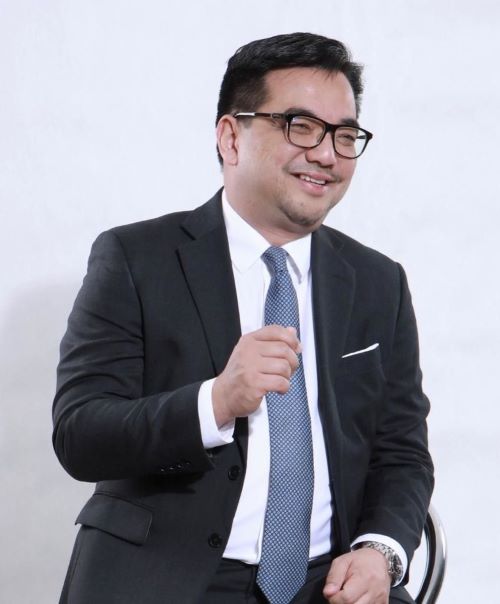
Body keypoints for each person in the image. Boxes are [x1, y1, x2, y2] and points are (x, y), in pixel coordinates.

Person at [53, 32, 434, 604]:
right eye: (301, 126)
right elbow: (80, 434)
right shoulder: (136, 259)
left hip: (328, 583)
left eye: (345, 135)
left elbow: (402, 452)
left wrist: (381, 551)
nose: (327, 154)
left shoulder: (379, 282)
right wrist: (217, 401)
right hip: (171, 579)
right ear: (231, 137)